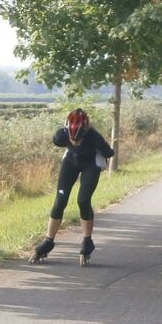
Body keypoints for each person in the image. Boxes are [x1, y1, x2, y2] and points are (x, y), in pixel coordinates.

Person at [31, 108, 114, 265]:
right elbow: (56, 141)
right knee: (60, 201)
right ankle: (48, 241)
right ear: (67, 132)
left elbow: (109, 153)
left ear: (86, 131)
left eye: (79, 139)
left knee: (83, 200)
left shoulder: (94, 137)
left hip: (91, 165)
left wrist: (105, 152)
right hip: (70, 162)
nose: (75, 142)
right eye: (72, 139)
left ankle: (87, 241)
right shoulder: (61, 135)